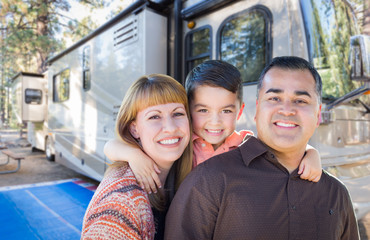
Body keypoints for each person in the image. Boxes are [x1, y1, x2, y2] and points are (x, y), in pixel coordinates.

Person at [164, 56, 360, 239]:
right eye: (274, 98)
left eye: (300, 101)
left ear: (318, 114)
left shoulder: (337, 194)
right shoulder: (205, 176)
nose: (287, 110)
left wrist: (311, 152)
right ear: (257, 109)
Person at [104, 60, 322, 194]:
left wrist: (311, 153)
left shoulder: (246, 143)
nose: (215, 122)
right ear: (188, 111)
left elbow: (282, 151)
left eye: (226, 111)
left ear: (239, 111)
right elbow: (111, 146)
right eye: (203, 110)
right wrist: (135, 156)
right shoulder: (183, 144)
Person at [81, 74, 193, 240]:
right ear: (134, 129)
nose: (170, 127)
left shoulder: (184, 172)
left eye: (177, 114)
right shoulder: (120, 203)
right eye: (154, 116)